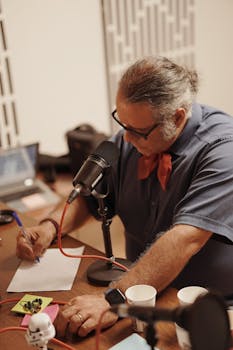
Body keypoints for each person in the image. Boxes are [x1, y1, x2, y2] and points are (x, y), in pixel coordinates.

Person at [16, 56, 233, 338]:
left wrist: (113, 300)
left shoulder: (222, 152)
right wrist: (49, 227)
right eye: (121, 122)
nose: (125, 139)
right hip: (141, 289)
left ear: (177, 117)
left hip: (207, 308)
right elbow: (90, 199)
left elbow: (184, 239)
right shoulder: (131, 137)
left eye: (137, 131)